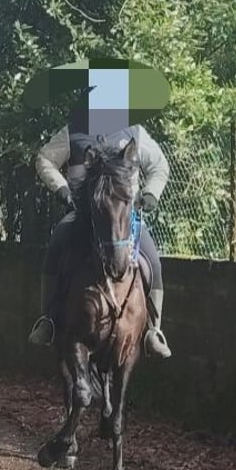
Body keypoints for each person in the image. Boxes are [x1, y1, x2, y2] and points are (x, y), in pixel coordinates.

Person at [28, 119, 172, 359]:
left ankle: (152, 331)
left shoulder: (134, 132)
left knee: (153, 262)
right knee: (56, 244)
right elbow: (45, 159)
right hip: (83, 215)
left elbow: (159, 165)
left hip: (125, 219)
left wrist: (150, 193)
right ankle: (48, 320)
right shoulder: (73, 132)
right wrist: (62, 188)